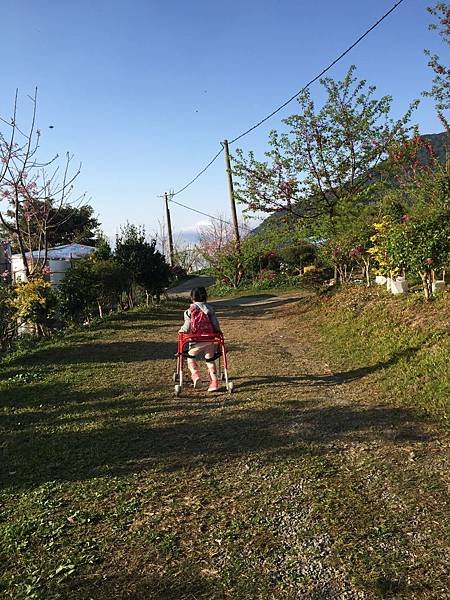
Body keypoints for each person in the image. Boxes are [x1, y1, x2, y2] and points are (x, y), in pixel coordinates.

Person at [179, 286, 221, 392]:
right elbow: (215, 324)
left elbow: (187, 326)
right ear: (205, 297)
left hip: (196, 340)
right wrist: (218, 331)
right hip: (210, 339)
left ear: (192, 298)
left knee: (190, 356)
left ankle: (195, 375)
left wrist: (181, 330)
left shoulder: (189, 311)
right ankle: (214, 382)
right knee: (210, 359)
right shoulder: (210, 309)